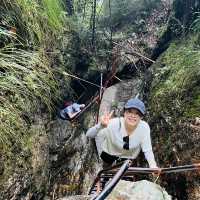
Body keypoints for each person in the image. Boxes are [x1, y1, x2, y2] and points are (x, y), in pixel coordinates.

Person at [86, 97, 158, 169]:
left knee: (123, 176)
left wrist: (153, 165)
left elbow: (147, 150)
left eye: (137, 113)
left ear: (141, 117)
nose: (133, 116)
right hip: (109, 153)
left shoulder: (144, 128)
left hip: (128, 157)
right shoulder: (114, 124)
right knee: (106, 170)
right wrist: (101, 125)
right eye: (129, 111)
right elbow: (89, 134)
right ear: (124, 113)